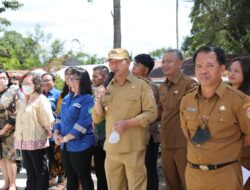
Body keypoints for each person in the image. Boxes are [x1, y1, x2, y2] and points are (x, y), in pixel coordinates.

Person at [180, 46, 250, 190]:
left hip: (225, 177)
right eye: (199, 66)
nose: (203, 70)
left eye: (210, 65)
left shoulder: (240, 101)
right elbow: (187, 133)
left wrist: (228, 146)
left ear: (222, 68)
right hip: (194, 176)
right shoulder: (187, 100)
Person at [92, 48, 158, 190]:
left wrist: (128, 123)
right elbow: (97, 118)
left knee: (136, 187)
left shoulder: (142, 85)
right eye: (111, 62)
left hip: (133, 148)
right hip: (111, 149)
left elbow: (152, 113)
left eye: (118, 61)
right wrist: (97, 100)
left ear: (127, 62)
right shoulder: (106, 87)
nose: (113, 65)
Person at [158, 49, 197, 190]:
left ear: (179, 63)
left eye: (169, 61)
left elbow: (195, 115)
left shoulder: (189, 85)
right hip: (166, 143)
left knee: (188, 183)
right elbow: (159, 113)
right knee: (171, 184)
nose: (165, 65)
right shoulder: (162, 87)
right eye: (163, 61)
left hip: (183, 144)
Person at [53, 67, 96, 190]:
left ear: (82, 80)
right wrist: (56, 133)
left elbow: (83, 123)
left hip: (81, 145)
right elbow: (59, 117)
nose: (69, 81)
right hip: (65, 145)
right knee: (70, 176)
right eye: (68, 78)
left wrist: (65, 138)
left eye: (73, 78)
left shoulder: (87, 99)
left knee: (83, 176)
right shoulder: (67, 97)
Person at [15, 72, 54, 190]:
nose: (25, 85)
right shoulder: (22, 100)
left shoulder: (41, 99)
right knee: (29, 170)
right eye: (23, 83)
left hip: (36, 139)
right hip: (23, 140)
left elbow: (48, 119)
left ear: (36, 84)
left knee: (40, 170)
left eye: (28, 83)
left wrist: (49, 130)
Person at [132, 53, 160, 190]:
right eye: (133, 64)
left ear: (146, 70)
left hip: (148, 137)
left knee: (149, 170)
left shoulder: (150, 87)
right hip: (134, 135)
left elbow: (149, 113)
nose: (133, 67)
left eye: (137, 65)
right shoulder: (132, 85)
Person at [228, 57, 250, 189]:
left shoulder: (247, 100)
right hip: (228, 158)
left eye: (236, 71)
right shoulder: (225, 96)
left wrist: (230, 148)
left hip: (244, 158)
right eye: (230, 70)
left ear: (246, 73)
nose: (231, 73)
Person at [41, 72, 61, 187]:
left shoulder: (58, 94)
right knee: (49, 157)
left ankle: (62, 180)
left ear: (54, 82)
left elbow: (60, 113)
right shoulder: (40, 95)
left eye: (48, 80)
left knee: (58, 156)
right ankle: (51, 178)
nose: (46, 83)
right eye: (43, 80)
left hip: (55, 130)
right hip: (43, 132)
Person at [0, 70, 19, 190]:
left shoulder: (14, 91)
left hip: (11, 130)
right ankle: (6, 183)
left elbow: (17, 111)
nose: (2, 80)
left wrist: (4, 129)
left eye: (4, 77)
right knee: (1, 158)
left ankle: (13, 184)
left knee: (11, 158)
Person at [92, 65, 109, 190]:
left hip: (108, 140)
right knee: (99, 173)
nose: (93, 79)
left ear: (105, 77)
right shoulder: (96, 92)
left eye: (95, 76)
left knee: (108, 175)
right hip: (97, 139)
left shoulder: (109, 92)